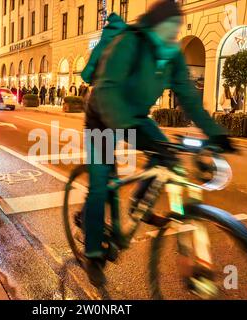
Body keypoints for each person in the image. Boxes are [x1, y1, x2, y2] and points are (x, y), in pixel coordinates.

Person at [82, 0, 235, 286]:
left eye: (177, 27)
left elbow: (189, 98)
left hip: (136, 115)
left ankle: (139, 200)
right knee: (100, 183)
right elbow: (108, 89)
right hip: (102, 115)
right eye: (169, 26)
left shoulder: (173, 55)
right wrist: (124, 126)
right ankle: (92, 254)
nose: (174, 33)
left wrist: (216, 133)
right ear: (155, 25)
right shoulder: (129, 43)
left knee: (168, 157)